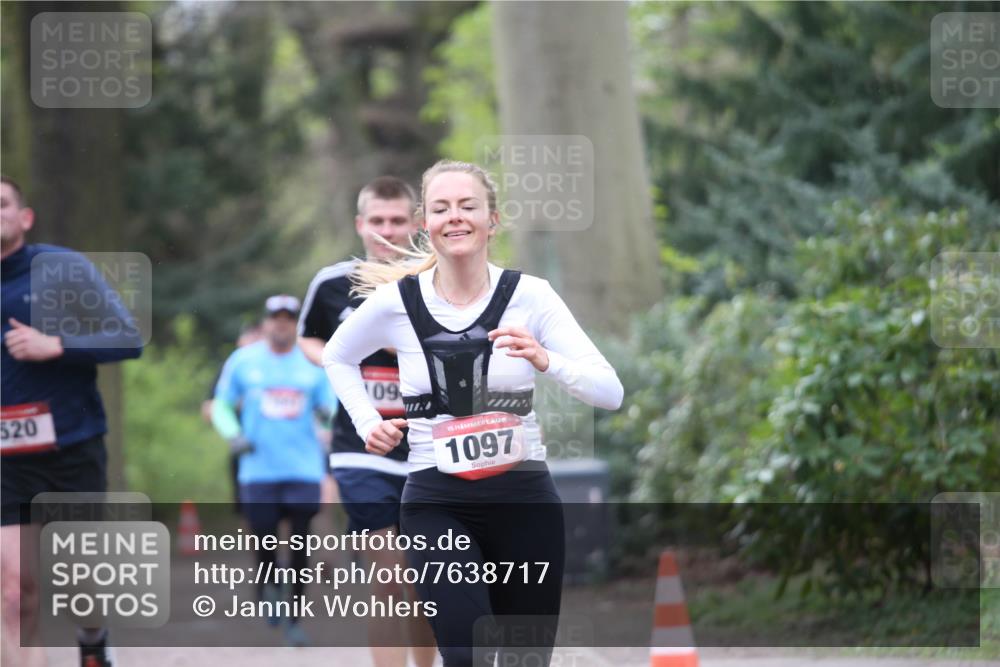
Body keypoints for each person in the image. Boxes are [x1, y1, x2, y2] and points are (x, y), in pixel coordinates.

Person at [322, 160, 624, 667]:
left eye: (468, 206)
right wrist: (368, 420)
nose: (454, 217)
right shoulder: (398, 302)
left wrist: (545, 359)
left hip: (524, 500)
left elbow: (609, 391)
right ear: (425, 221)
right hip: (436, 501)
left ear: (493, 219)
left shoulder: (531, 296)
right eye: (441, 208)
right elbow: (337, 355)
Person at [1, 176, 144, 667]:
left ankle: (93, 641)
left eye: (1, 205)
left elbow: (128, 338)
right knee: (15, 593)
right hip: (4, 463)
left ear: (25, 217)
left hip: (71, 446)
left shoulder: (60, 270)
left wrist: (56, 346)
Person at [298, 176, 437, 667]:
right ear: (360, 224)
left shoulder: (436, 282)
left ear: (416, 224)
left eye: (397, 220)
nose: (387, 231)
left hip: (428, 445)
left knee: (424, 578)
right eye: (376, 221)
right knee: (390, 574)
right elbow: (310, 340)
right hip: (361, 446)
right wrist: (344, 360)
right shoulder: (333, 283)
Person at [211, 295, 335, 647]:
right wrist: (233, 435)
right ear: (265, 323)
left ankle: (294, 619)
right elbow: (221, 404)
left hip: (303, 468)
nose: (281, 324)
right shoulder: (243, 361)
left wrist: (328, 415)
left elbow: (333, 405)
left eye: (288, 319)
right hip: (258, 470)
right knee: (264, 540)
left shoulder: (311, 363)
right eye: (275, 318)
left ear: (295, 324)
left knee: (298, 546)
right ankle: (266, 587)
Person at [200, 322, 264, 514]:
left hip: (281, 448)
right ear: (240, 341)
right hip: (243, 447)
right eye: (250, 339)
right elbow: (208, 409)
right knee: (247, 509)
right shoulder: (231, 368)